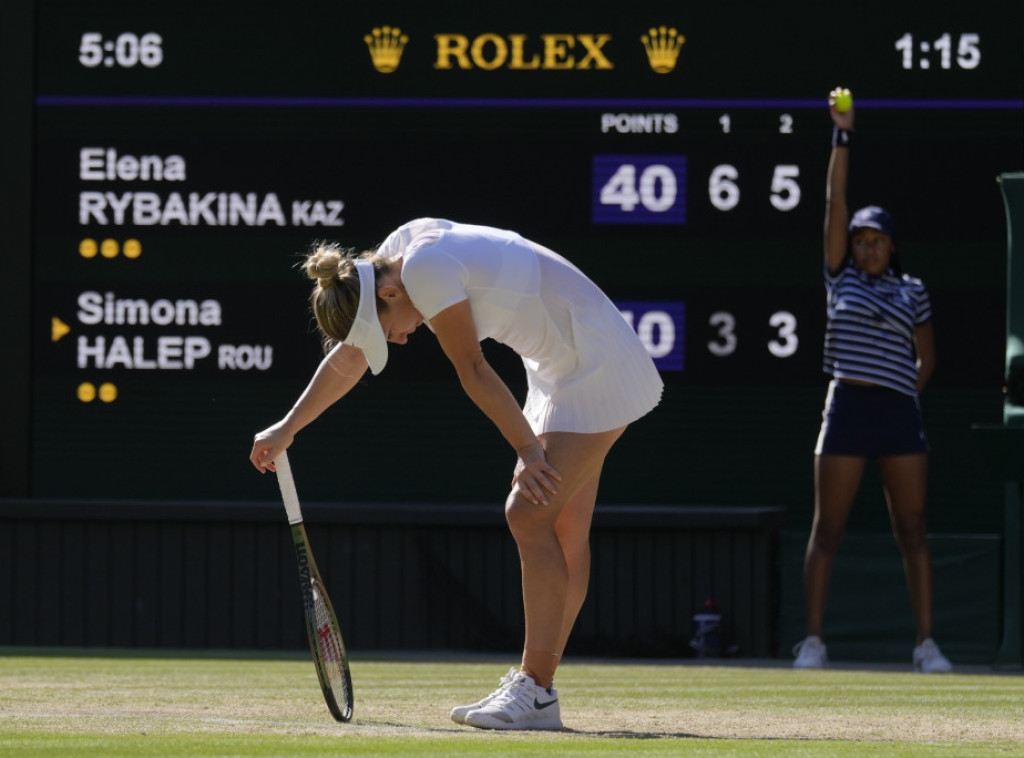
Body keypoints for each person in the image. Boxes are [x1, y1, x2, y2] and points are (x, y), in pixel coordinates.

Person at [249, 218, 663, 728]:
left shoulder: (422, 268)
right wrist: (288, 428)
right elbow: (350, 359)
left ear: (391, 292)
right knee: (562, 530)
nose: (398, 343)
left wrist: (528, 451)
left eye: (387, 332)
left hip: (594, 360)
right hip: (559, 365)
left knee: (527, 514)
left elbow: (473, 369)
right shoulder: (394, 260)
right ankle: (539, 687)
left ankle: (536, 691)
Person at [792, 91, 952, 673]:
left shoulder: (914, 291)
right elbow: (835, 202)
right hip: (846, 410)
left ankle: (926, 645)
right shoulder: (840, 280)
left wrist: (905, 394)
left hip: (898, 415)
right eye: (859, 240)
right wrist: (842, 134)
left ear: (892, 245)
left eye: (876, 239)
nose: (866, 246)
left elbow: (926, 357)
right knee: (826, 528)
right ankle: (812, 641)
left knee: (912, 527)